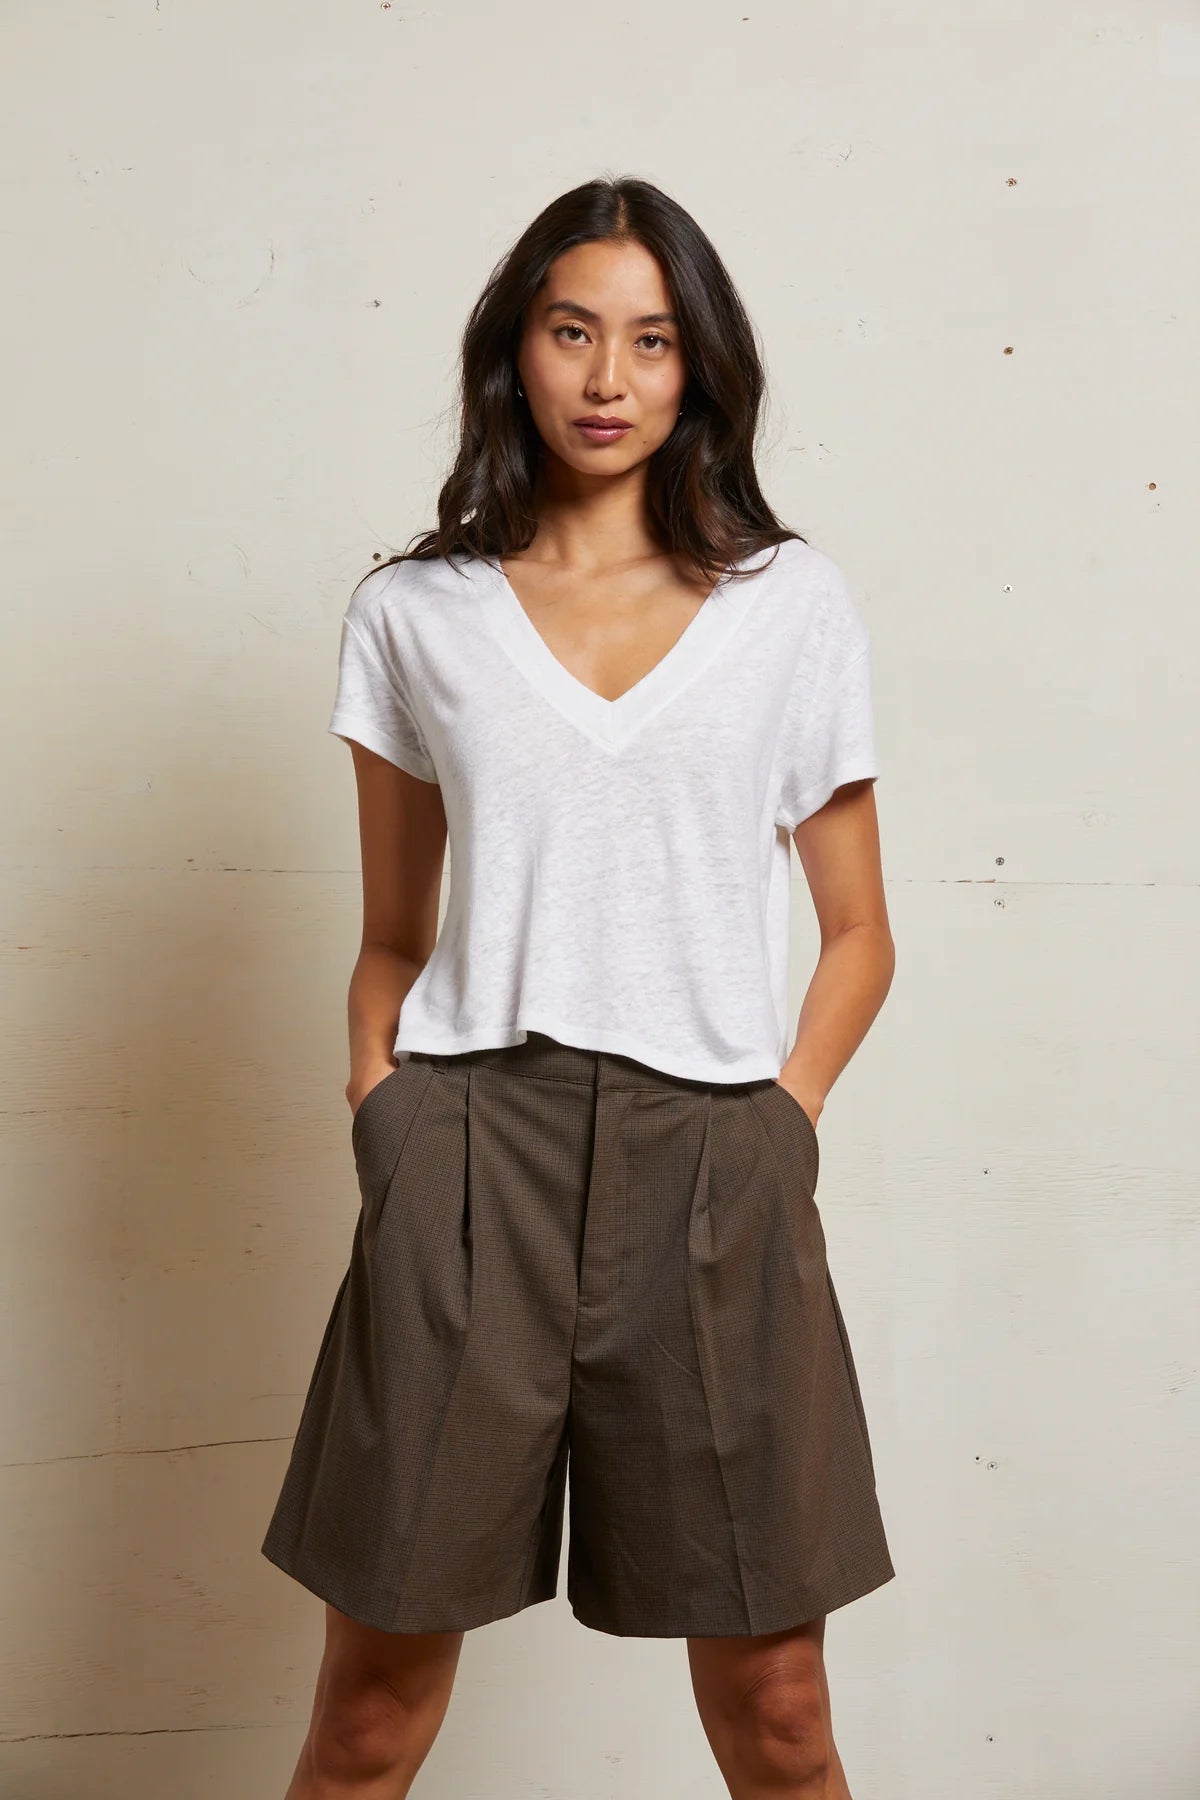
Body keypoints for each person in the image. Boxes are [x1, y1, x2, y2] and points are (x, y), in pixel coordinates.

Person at [261, 173, 897, 1799]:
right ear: (516, 351)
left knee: (780, 1714)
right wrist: (390, 1120)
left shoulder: (790, 607)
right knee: (368, 1715)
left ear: (700, 369)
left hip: (716, 1159)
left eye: (653, 340)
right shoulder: (416, 614)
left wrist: (782, 1121)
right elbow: (391, 936)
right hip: (473, 1159)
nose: (609, 378)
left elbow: (859, 932)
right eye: (572, 332)